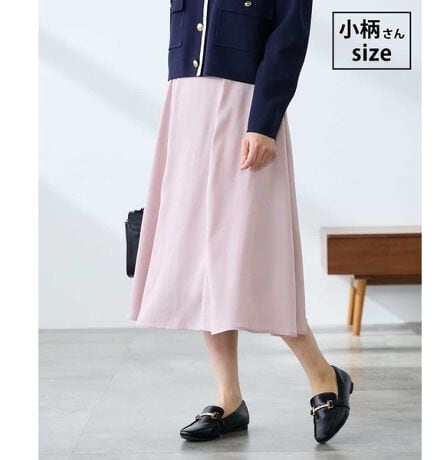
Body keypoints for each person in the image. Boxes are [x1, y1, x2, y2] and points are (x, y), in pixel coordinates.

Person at [129, 0, 353, 444]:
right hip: (186, 106)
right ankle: (228, 399)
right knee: (201, 258)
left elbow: (288, 38)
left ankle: (323, 374)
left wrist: (264, 122)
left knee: (254, 257)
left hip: (246, 109)